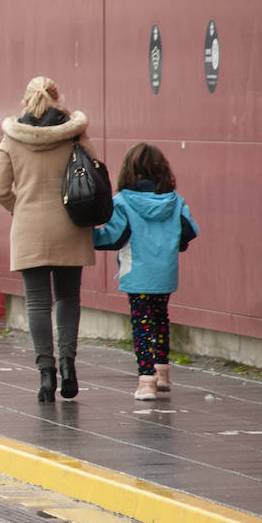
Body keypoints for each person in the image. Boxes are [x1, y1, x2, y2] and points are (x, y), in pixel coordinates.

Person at [0, 76, 95, 403]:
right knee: (68, 297)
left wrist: (19, 209)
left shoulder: (12, 137)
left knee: (36, 302)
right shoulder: (74, 133)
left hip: (28, 227)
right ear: (57, 97)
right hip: (70, 226)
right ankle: (68, 365)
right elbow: (95, 172)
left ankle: (45, 374)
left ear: (26, 100)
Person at [93, 143, 198, 400]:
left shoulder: (123, 202)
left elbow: (114, 238)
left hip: (137, 273)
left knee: (142, 325)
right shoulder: (175, 201)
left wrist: (88, 237)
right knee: (161, 320)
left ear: (128, 171)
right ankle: (163, 374)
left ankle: (146, 381)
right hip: (165, 272)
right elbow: (189, 231)